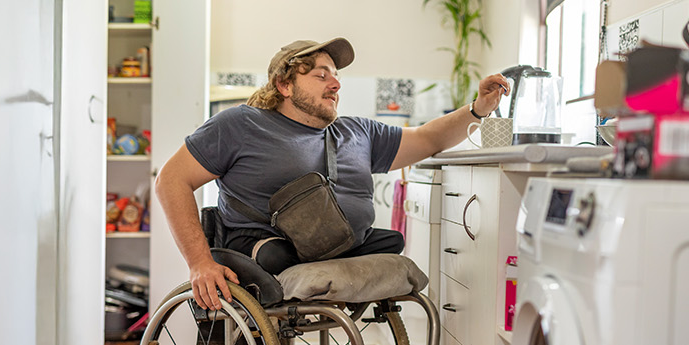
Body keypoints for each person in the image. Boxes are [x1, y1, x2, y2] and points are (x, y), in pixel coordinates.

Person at [154, 37, 510, 311]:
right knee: (273, 255)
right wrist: (200, 263)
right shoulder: (241, 124)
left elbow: (429, 139)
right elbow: (170, 181)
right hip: (266, 254)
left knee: (391, 242)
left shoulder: (359, 132)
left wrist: (477, 109)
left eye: (336, 76)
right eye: (321, 75)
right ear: (284, 85)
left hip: (341, 248)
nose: (335, 84)